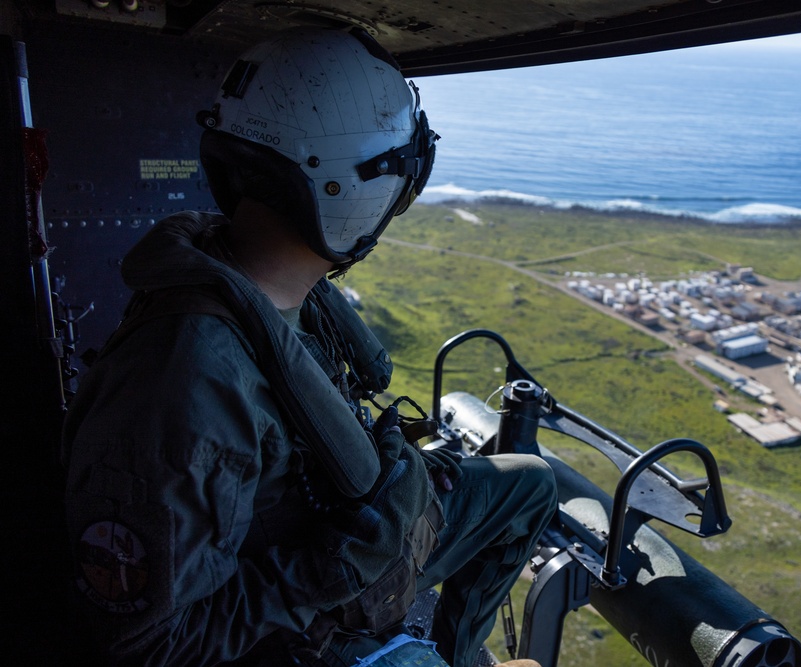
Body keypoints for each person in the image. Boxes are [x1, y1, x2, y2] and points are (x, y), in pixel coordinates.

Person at [61, 27, 557, 667]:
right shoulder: (185, 382)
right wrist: (336, 565)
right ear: (351, 189)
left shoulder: (280, 290)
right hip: (311, 625)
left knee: (530, 487)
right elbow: (150, 643)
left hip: (359, 535)